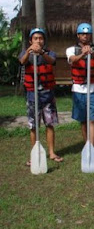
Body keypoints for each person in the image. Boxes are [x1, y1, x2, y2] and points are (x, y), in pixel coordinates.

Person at [19, 28, 63, 165]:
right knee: (34, 126)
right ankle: (35, 154)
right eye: (35, 38)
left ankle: (51, 152)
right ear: (31, 41)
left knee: (49, 124)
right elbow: (22, 62)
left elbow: (51, 61)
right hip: (33, 95)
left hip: (47, 95)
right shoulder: (25, 53)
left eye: (41, 38)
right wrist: (29, 51)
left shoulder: (49, 53)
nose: (38, 41)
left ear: (44, 41)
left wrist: (42, 52)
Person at [66, 23, 94, 151]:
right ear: (78, 35)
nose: (85, 36)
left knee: (92, 119)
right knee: (83, 120)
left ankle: (92, 148)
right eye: (82, 34)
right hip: (78, 89)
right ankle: (86, 144)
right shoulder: (71, 49)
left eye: (87, 34)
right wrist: (83, 54)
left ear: (90, 35)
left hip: (93, 89)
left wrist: (92, 53)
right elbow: (72, 59)